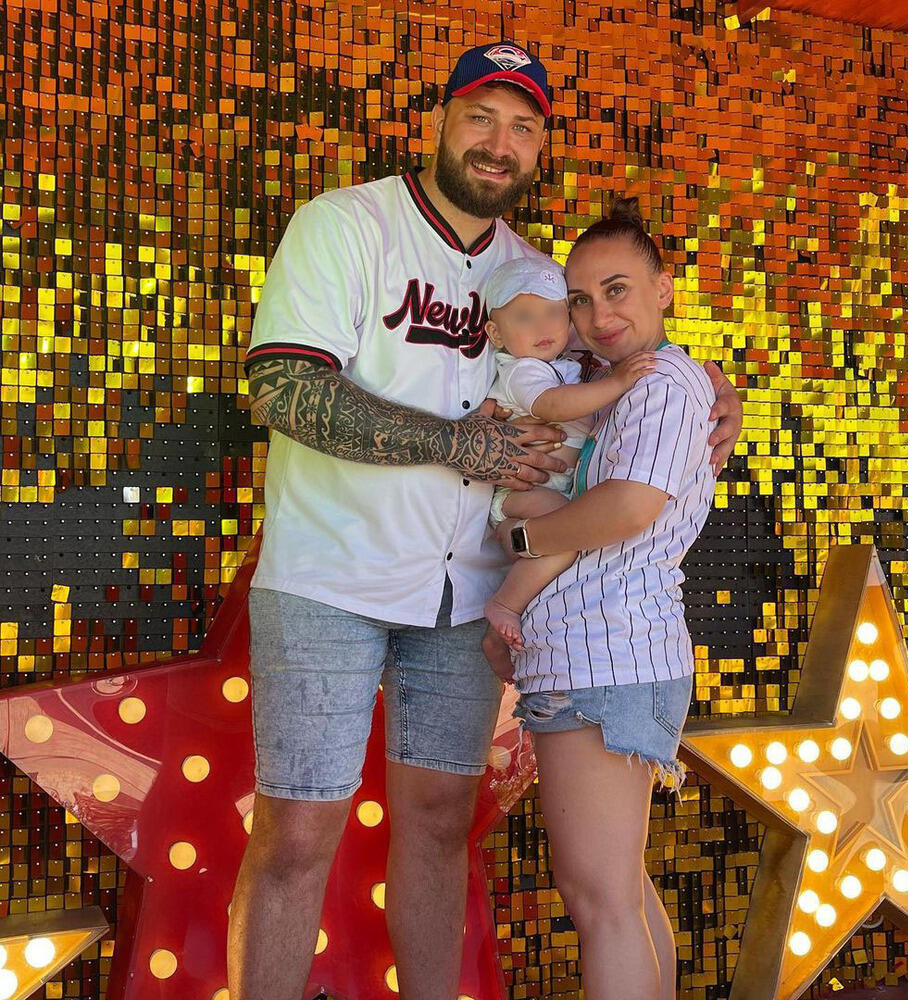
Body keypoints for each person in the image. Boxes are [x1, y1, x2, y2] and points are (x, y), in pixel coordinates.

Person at [231, 39, 743, 1000]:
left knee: (437, 823)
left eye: (522, 127)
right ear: (441, 120)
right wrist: (458, 443)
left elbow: (626, 365)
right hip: (327, 576)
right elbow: (283, 388)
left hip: (468, 594)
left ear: (539, 146)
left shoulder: (542, 276)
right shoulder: (346, 223)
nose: (499, 143)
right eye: (481, 117)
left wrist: (711, 384)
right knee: (296, 833)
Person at [493, 197, 717, 1000]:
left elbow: (627, 508)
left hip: (606, 656)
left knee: (600, 900)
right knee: (619, 892)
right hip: (605, 655)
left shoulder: (658, 386)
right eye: (581, 300)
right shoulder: (618, 380)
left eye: (617, 290)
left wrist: (523, 542)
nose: (597, 316)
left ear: (663, 288)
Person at [481, 255, 659, 652]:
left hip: (548, 486)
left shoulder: (562, 364)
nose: (542, 326)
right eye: (524, 317)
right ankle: (505, 604)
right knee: (566, 535)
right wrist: (617, 383)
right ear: (496, 333)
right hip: (523, 493)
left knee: (566, 540)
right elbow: (553, 405)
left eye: (553, 313)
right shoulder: (523, 370)